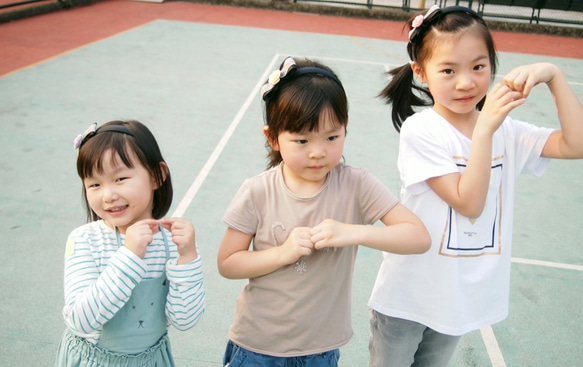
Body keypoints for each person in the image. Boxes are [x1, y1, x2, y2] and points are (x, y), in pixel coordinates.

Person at [368, 5, 583, 367]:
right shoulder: (423, 130)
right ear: (421, 73)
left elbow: (575, 145)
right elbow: (469, 203)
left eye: (478, 67)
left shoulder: (508, 131)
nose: (466, 82)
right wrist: (486, 130)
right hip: (410, 295)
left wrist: (554, 75)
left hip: (458, 300)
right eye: (448, 70)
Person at [217, 57, 431, 367]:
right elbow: (228, 262)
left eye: (332, 137)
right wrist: (284, 252)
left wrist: (353, 231)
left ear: (346, 128)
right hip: (257, 347)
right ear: (273, 138)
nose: (318, 152)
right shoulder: (257, 191)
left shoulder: (356, 184)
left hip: (321, 351)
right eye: (302, 140)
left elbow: (419, 237)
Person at [56, 120, 206, 366]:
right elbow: (80, 320)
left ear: (157, 176)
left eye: (120, 178)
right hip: (93, 360)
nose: (108, 195)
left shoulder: (175, 244)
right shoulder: (84, 240)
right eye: (94, 184)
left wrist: (188, 258)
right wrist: (130, 255)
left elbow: (185, 320)